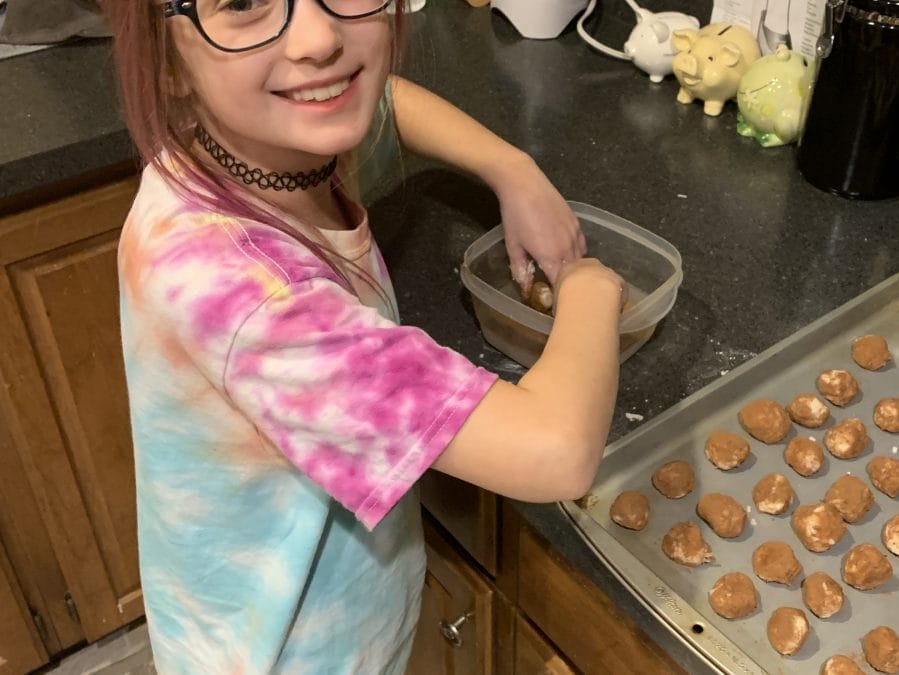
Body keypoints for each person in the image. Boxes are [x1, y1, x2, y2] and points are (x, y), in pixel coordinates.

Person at [101, 0, 626, 672]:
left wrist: (511, 167)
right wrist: (590, 286)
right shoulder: (244, 295)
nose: (319, 38)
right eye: (240, 2)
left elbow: (387, 101)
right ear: (166, 59)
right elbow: (555, 450)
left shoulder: (256, 140)